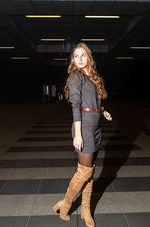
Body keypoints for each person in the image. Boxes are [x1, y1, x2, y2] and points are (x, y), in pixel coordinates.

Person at [52, 42, 112, 227]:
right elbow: (76, 107)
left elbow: (93, 101)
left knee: (89, 172)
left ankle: (86, 209)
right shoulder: (75, 77)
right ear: (73, 60)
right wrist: (78, 135)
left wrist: (102, 110)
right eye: (75, 56)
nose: (79, 59)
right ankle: (66, 203)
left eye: (83, 55)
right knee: (84, 172)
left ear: (89, 58)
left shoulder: (94, 77)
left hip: (96, 127)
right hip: (83, 128)